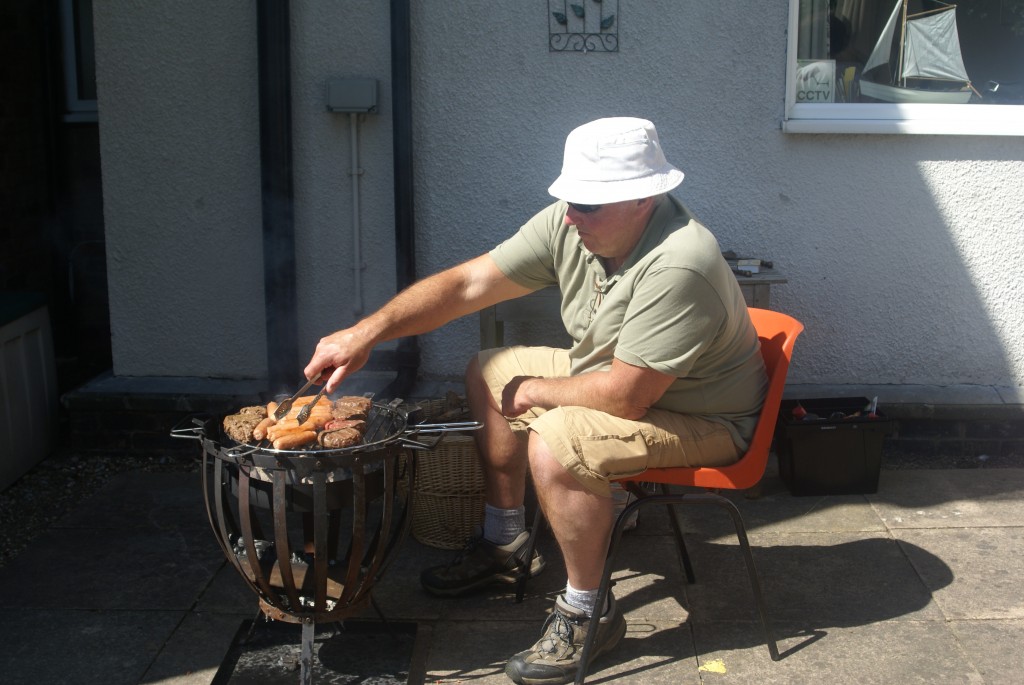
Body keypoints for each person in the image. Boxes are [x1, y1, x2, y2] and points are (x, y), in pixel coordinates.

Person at [303, 117, 768, 685]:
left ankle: (587, 610)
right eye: (569, 200)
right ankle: (505, 545)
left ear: (644, 198)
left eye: (588, 205)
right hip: (624, 379)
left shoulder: (680, 263)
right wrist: (368, 332)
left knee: (555, 443)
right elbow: (469, 285)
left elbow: (625, 397)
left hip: (704, 416)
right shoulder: (573, 225)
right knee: (488, 368)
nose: (571, 216)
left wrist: (536, 394)